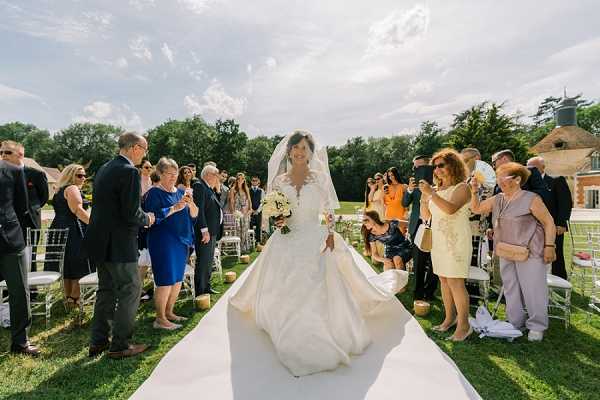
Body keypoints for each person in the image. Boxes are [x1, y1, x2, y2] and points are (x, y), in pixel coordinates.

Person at [229, 130, 408, 377]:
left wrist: (330, 233)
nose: (300, 152)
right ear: (289, 151)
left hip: (316, 235)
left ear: (311, 152)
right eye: (296, 148)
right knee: (286, 283)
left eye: (305, 148)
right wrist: (279, 220)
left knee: (317, 282)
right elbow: (275, 211)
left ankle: (320, 333)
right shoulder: (279, 181)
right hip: (289, 238)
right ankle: (287, 328)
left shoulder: (320, 178)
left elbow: (325, 210)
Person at [84, 132, 155, 359]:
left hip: (99, 242)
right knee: (131, 289)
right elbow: (131, 213)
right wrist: (148, 218)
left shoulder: (104, 169)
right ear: (135, 148)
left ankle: (98, 341)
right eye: (144, 150)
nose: (145, 155)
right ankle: (120, 345)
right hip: (119, 245)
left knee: (106, 291)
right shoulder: (129, 172)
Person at [470, 162, 556, 342]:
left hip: (530, 250)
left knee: (533, 288)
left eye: (504, 177)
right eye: (498, 177)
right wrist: (474, 190)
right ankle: (515, 322)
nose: (499, 181)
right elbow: (476, 209)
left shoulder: (531, 198)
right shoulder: (498, 198)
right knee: (510, 287)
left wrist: (550, 247)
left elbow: (549, 223)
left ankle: (537, 326)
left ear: (517, 180)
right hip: (506, 249)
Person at [419, 148, 472, 342]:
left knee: (456, 282)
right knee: (443, 279)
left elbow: (450, 209)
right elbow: (427, 217)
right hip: (439, 241)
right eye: (435, 167)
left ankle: (464, 326)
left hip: (456, 240)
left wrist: (431, 194)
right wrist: (424, 199)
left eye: (441, 165)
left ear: (454, 165)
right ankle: (449, 319)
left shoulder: (462, 188)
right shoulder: (437, 190)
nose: (437, 170)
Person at [144, 158, 198, 330]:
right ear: (159, 174)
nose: (173, 177)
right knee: (165, 280)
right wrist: (175, 207)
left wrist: (190, 204)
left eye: (175, 174)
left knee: (177, 279)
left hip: (181, 241)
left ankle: (169, 312)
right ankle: (159, 319)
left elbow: (194, 215)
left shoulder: (180, 192)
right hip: (162, 241)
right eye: (169, 174)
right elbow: (152, 216)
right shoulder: (154, 193)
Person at [0, 158, 40, 356]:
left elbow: (21, 206)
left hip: (9, 240)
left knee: (19, 290)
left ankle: (20, 342)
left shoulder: (13, 171)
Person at [45, 164, 93, 307]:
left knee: (67, 263)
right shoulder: (72, 188)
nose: (83, 178)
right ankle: (75, 297)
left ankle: (69, 297)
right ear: (70, 176)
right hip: (73, 228)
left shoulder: (59, 190)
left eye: (84, 175)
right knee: (80, 261)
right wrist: (94, 224)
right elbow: (77, 210)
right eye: (79, 175)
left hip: (58, 228)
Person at [0, 141, 49, 272]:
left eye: (8, 152)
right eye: (1, 152)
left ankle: (31, 291)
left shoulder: (36, 174)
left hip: (29, 222)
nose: (3, 155)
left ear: (20, 154)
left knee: (29, 258)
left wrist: (31, 210)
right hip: (7, 224)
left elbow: (43, 198)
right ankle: (6, 290)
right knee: (6, 258)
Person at [527, 156, 573, 279]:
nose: (530, 170)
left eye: (533, 167)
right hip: (534, 227)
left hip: (554, 226)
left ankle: (560, 280)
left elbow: (565, 203)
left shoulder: (556, 181)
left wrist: (562, 223)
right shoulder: (527, 185)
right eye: (528, 167)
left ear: (542, 167)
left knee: (556, 253)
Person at [403, 155, 438, 301]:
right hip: (417, 225)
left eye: (418, 166)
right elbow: (405, 203)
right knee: (418, 261)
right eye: (414, 166)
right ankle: (418, 292)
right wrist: (410, 190)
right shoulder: (414, 183)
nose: (415, 169)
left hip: (435, 225)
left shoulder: (438, 181)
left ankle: (429, 292)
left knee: (435, 261)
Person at [192, 164, 223, 296]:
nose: (218, 177)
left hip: (212, 231)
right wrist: (204, 230)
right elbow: (200, 211)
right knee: (203, 261)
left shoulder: (209, 188)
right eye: (215, 174)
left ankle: (207, 286)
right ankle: (200, 290)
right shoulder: (199, 186)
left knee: (208, 261)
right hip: (205, 232)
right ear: (208, 175)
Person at [229, 172, 252, 252]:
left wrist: (250, 209)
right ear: (236, 179)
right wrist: (233, 212)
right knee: (238, 230)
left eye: (242, 178)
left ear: (244, 179)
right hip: (237, 212)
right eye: (238, 178)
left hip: (245, 212)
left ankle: (244, 248)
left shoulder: (246, 189)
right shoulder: (233, 189)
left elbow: (249, 200)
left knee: (245, 230)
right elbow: (231, 202)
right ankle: (238, 248)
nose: (240, 180)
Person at [249, 176, 265, 244]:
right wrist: (251, 209)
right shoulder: (248, 190)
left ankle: (258, 241)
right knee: (250, 226)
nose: (254, 182)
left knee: (258, 227)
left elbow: (263, 201)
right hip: (250, 211)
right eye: (253, 180)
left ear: (258, 182)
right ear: (251, 181)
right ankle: (250, 241)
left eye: (256, 180)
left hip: (258, 212)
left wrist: (258, 211)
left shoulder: (261, 191)